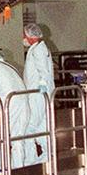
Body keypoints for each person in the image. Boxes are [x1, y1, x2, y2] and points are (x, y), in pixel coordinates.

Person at [0, 47, 33, 169]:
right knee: (17, 138)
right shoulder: (11, 67)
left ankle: (2, 166)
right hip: (23, 102)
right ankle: (18, 167)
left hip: (9, 103)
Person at [22, 23, 55, 157]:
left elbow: (43, 70)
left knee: (29, 127)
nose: (23, 38)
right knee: (42, 127)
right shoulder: (37, 48)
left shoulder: (38, 50)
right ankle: (47, 156)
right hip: (39, 94)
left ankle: (30, 159)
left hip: (38, 94)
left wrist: (42, 83)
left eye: (24, 35)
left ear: (30, 36)